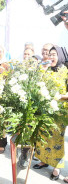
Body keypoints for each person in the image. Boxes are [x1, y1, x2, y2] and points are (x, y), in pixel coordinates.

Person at [33, 46, 67, 181]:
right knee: (44, 135)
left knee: (56, 139)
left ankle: (57, 167)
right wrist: (42, 71)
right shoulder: (47, 70)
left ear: (60, 56)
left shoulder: (65, 71)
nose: (51, 57)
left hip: (60, 112)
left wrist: (61, 96)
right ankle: (44, 160)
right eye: (50, 54)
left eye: (54, 54)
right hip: (45, 110)